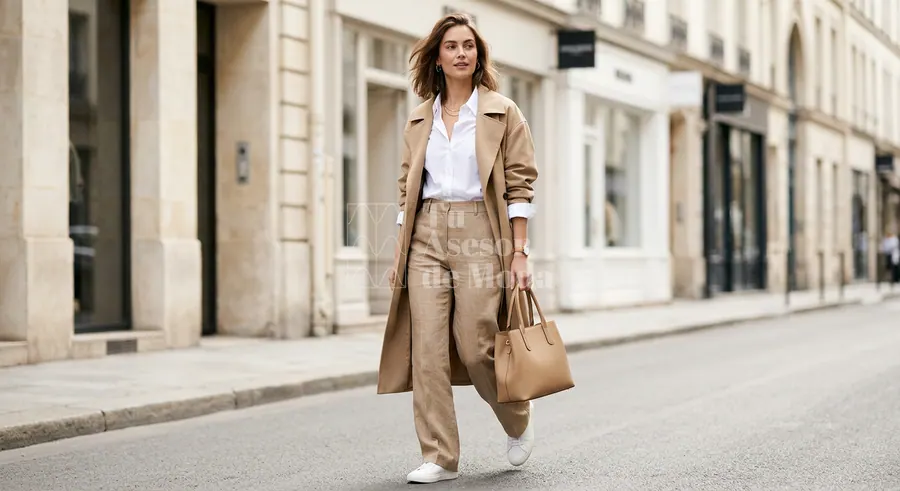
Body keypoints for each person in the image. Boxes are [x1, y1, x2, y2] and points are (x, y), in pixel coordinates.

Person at [375, 13, 539, 484]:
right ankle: (440, 456)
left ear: (478, 55)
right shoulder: (419, 115)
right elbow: (408, 185)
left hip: (479, 231)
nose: (461, 53)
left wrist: (519, 253)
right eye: (451, 46)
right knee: (425, 349)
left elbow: (520, 184)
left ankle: (517, 419)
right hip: (426, 231)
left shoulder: (501, 112)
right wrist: (399, 252)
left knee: (476, 344)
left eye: (468, 45)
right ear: (438, 57)